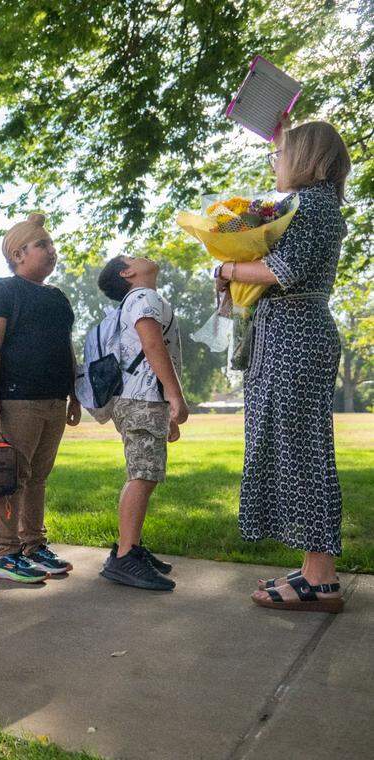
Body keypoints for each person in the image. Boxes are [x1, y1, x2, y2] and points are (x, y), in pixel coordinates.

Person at [216, 122, 351, 613]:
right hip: (287, 334)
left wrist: (225, 268)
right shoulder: (312, 206)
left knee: (302, 452)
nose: (274, 162)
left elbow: (280, 271)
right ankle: (314, 567)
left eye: (280, 153)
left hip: (297, 336)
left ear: (306, 157)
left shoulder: (314, 206)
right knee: (292, 446)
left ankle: (322, 581)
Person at [0, 213, 80, 583]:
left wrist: (74, 393)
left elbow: (66, 347)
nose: (52, 251)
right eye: (43, 245)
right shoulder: (2, 291)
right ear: (19, 253)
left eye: (51, 245)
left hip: (54, 401)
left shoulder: (58, 298)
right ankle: (4, 553)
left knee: (38, 477)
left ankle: (33, 545)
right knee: (11, 478)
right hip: (16, 401)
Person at [95, 255, 187, 592]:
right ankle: (124, 556)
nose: (142, 255)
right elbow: (152, 344)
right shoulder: (143, 297)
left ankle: (129, 547)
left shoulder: (136, 300)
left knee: (144, 471)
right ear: (128, 272)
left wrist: (167, 408)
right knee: (143, 474)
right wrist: (175, 396)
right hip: (142, 398)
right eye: (133, 256)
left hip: (138, 398)